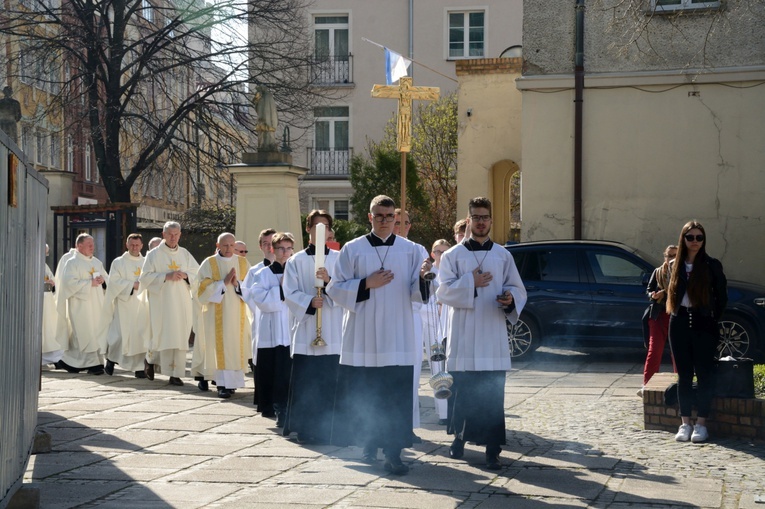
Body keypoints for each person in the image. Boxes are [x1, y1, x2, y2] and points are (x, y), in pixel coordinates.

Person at [326, 195, 431, 476]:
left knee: (394, 397)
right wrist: (366, 284)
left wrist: (422, 278)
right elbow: (335, 289)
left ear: (396, 219)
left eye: (389, 216)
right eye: (379, 216)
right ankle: (368, 444)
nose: (385, 221)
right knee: (367, 393)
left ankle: (394, 453)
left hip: (397, 334)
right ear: (370, 217)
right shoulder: (353, 248)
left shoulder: (411, 251)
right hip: (364, 335)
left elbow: (417, 294)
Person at [436, 197, 527, 470]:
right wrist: (470, 282)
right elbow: (443, 291)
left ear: (491, 219)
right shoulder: (453, 256)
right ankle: (459, 440)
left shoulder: (503, 255)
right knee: (463, 392)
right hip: (463, 335)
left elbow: (518, 289)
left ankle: (492, 449)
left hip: (491, 334)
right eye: (476, 217)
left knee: (491, 395)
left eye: (485, 217)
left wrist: (510, 299)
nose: (481, 222)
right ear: (469, 220)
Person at [282, 211, 343, 443]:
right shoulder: (296, 260)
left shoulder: (339, 258)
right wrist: (309, 301)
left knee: (331, 381)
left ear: (330, 231)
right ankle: (306, 428)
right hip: (308, 329)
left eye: (325, 226)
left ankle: (333, 428)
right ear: (308, 230)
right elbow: (289, 292)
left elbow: (347, 289)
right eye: (316, 226)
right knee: (307, 382)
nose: (321, 230)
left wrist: (329, 284)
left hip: (332, 327)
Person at [666, 221, 727, 444]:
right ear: (683, 239)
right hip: (679, 321)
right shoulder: (675, 265)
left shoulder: (712, 265)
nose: (694, 241)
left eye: (699, 237)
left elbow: (722, 296)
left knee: (704, 374)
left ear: (703, 240)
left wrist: (711, 317)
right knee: (683, 375)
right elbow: (671, 295)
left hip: (704, 323)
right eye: (690, 237)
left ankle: (701, 424)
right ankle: (685, 423)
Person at [139, 221, 199, 387]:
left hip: (181, 302)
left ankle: (175, 374)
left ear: (180, 235)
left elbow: (198, 274)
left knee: (179, 335)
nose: (173, 238)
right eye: (170, 234)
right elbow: (144, 278)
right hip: (162, 302)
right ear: (163, 235)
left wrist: (186, 276)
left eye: (176, 234)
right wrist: (166, 276)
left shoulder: (185, 254)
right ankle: (150, 360)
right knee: (162, 334)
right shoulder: (154, 255)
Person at [192, 233, 251, 398]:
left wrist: (237, 284)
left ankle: (231, 384)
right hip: (216, 314)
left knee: (234, 345)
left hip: (237, 312)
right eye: (225, 245)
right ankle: (221, 384)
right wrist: (222, 283)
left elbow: (251, 286)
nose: (229, 249)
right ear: (218, 245)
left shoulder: (242, 262)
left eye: (232, 245)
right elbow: (201, 288)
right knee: (220, 347)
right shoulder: (209, 263)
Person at [246, 232, 295, 425]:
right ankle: (275, 407)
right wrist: (282, 289)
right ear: (273, 250)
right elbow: (262, 301)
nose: (285, 252)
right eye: (281, 248)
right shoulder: (262, 274)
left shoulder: (296, 272)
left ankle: (287, 409)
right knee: (272, 371)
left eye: (289, 248)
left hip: (290, 330)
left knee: (288, 373)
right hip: (271, 331)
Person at [394, 208, 429, 442]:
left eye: (405, 223)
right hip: (388, 319)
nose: (401, 227)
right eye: (397, 222)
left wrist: (424, 276)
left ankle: (408, 426)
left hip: (412, 318)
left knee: (411, 374)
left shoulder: (417, 251)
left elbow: (425, 288)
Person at [55, 234, 109, 374]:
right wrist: (89, 283)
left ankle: (71, 363)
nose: (93, 247)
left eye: (93, 244)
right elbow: (68, 284)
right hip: (80, 305)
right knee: (84, 332)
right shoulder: (72, 263)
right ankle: (93, 365)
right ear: (79, 246)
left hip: (96, 304)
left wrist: (103, 281)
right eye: (89, 245)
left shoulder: (96, 262)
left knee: (95, 331)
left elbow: (106, 278)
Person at [102, 234, 151, 378]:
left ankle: (139, 367)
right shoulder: (118, 262)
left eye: (137, 245)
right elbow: (114, 283)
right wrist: (132, 285)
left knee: (140, 336)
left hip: (142, 305)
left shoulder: (147, 262)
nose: (135, 247)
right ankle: (111, 360)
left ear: (142, 246)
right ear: (127, 245)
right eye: (132, 245)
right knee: (119, 336)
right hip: (124, 304)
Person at [638, 244, 678, 395]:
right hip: (658, 315)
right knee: (654, 351)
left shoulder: (682, 273)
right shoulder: (658, 272)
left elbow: (681, 291)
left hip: (676, 315)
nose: (671, 259)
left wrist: (665, 293)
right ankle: (646, 385)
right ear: (665, 257)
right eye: (669, 255)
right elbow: (648, 290)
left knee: (678, 352)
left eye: (675, 255)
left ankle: (681, 384)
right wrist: (653, 295)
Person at [242, 228, 277, 391]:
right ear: (260, 246)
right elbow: (248, 295)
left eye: (272, 243)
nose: (269, 247)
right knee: (262, 358)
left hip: (284, 321)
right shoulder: (254, 271)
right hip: (262, 320)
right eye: (265, 243)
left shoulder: (291, 267)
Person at [424, 239, 451, 425]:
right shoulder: (429, 272)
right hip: (429, 322)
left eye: (444, 251)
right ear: (432, 254)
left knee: (447, 367)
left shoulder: (451, 270)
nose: (440, 254)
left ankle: (449, 409)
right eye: (438, 251)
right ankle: (442, 412)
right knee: (435, 366)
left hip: (446, 322)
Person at [42, 244, 64, 366]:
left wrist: (51, 282)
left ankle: (54, 358)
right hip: (39, 301)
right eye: (45, 253)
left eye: (46, 253)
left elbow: (53, 279)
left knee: (50, 329)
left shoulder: (44, 265)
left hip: (48, 301)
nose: (46, 256)